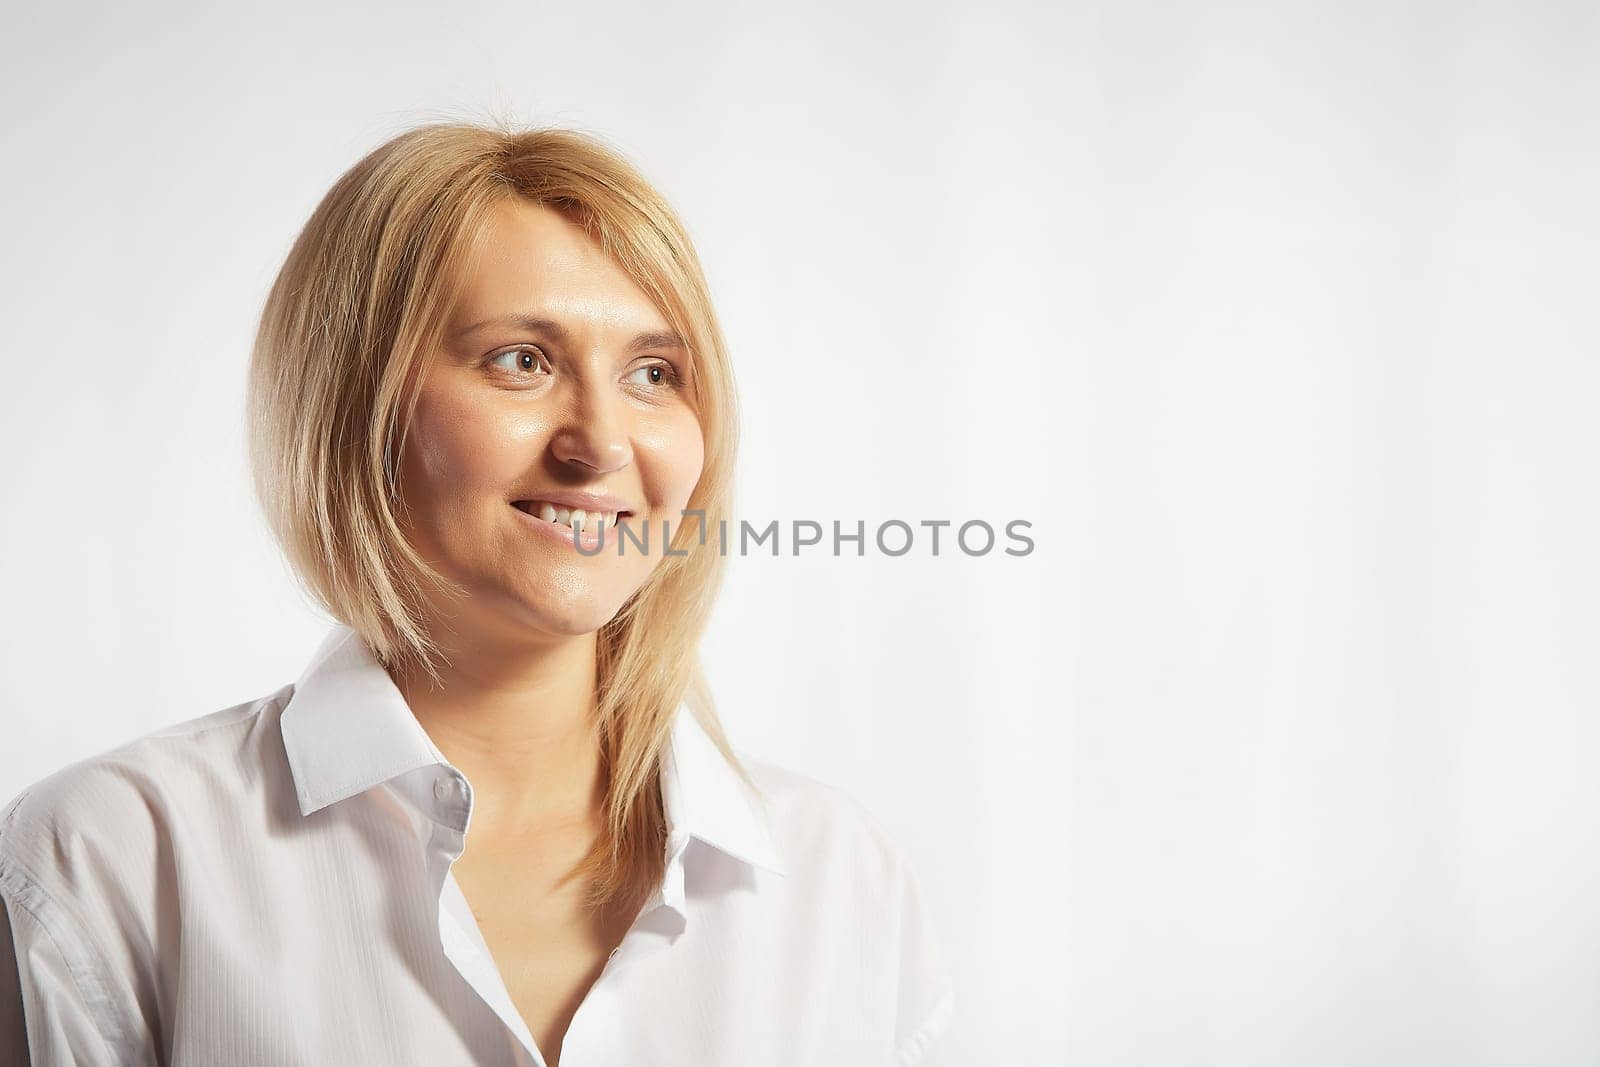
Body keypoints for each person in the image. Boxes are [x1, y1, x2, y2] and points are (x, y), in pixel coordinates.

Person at [0, 122, 954, 1066]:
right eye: (522, 361)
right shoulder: (111, 854)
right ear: (354, 402)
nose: (603, 444)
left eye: (652, 373)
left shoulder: (841, 878)